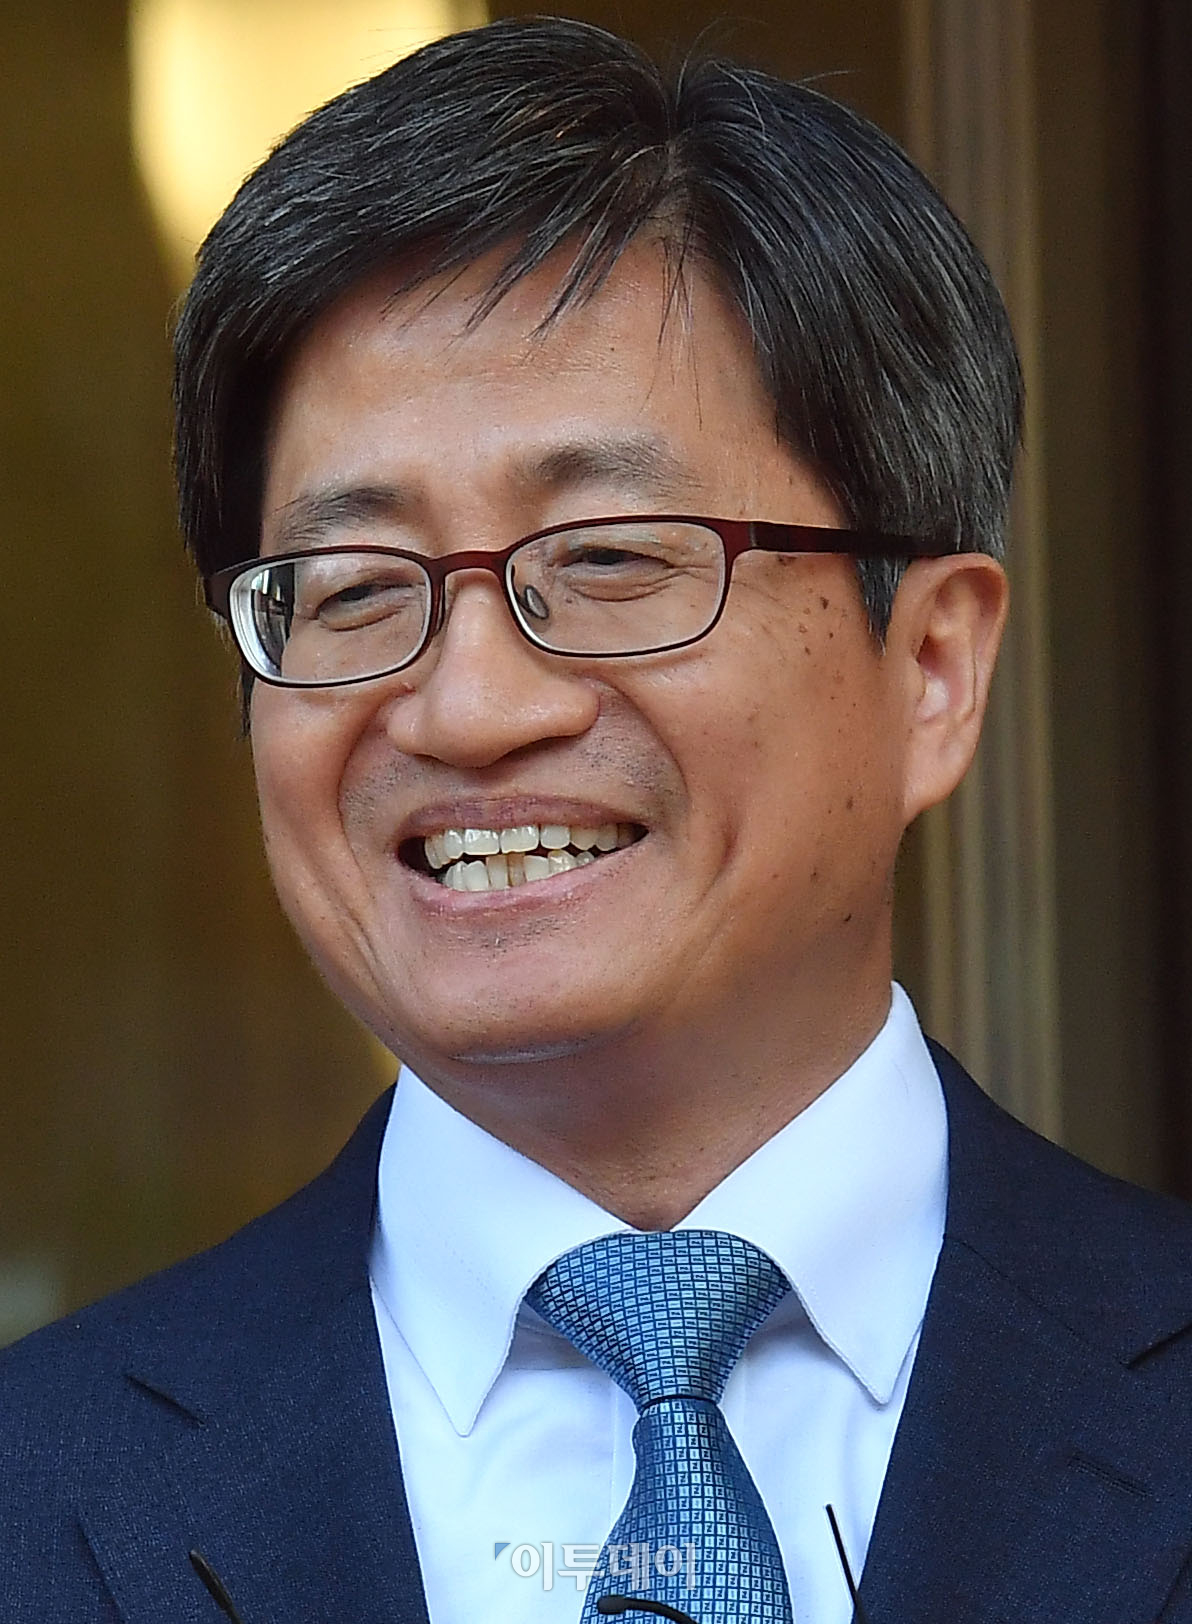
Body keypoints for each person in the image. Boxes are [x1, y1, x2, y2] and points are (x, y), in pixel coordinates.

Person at [6, 16, 1192, 1624]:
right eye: (352, 589)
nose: (470, 708)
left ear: (930, 668)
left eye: (613, 560)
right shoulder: (34, 1490)